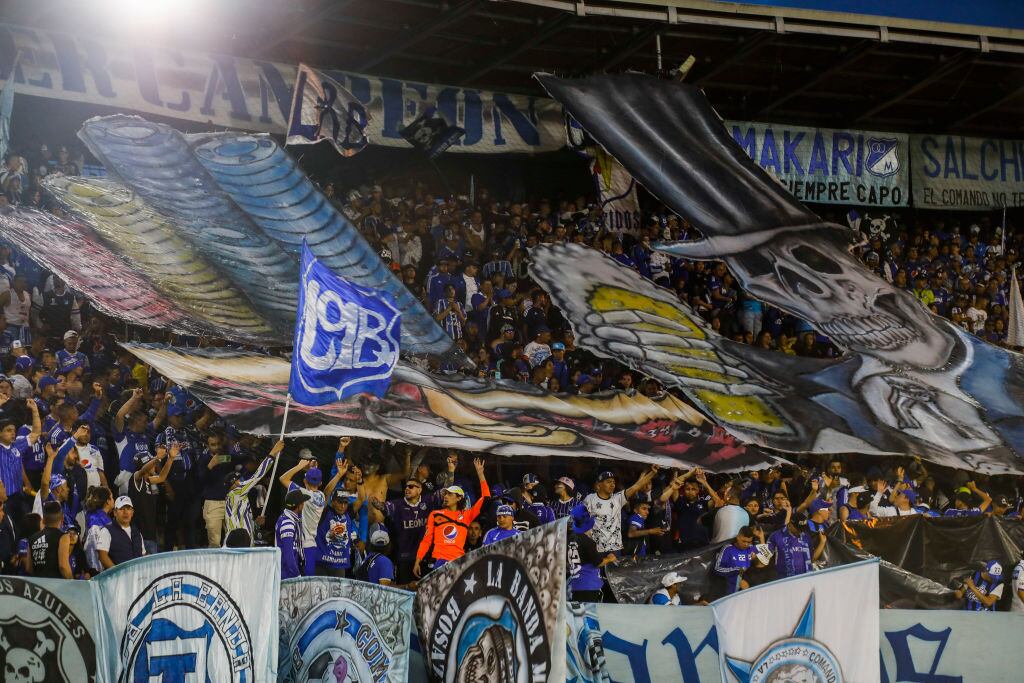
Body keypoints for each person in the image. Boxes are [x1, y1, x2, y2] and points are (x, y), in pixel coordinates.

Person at [414, 457, 489, 577]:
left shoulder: (467, 515)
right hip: (437, 561)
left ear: (459, 498)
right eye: (445, 494)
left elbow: (486, 498)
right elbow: (426, 540)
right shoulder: (435, 514)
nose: (445, 496)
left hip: (458, 562)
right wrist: (418, 560)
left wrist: (480, 474)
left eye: (449, 494)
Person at [584, 466, 658, 556]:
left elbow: (636, 487)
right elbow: (583, 519)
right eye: (608, 482)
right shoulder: (590, 498)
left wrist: (652, 473)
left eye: (613, 482)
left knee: (614, 570)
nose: (612, 485)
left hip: (614, 549)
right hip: (596, 547)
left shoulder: (617, 498)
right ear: (599, 485)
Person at [371, 477, 432, 584]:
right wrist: (375, 502)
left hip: (424, 556)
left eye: (411, 487)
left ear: (419, 490)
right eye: (406, 487)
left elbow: (443, 493)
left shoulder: (427, 501)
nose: (407, 489)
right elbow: (383, 507)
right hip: (404, 558)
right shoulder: (397, 504)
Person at [279, 452, 329, 576]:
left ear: (304, 480)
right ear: (321, 483)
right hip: (311, 546)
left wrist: (299, 466)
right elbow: (314, 484)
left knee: (295, 581)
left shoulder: (302, 494)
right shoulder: (321, 496)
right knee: (308, 585)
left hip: (299, 545)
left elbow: (283, 478)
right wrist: (313, 469)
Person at [225, 439, 283, 543]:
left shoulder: (237, 497)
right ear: (232, 485)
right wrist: (272, 453)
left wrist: (255, 523)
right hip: (239, 544)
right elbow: (257, 476)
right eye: (237, 481)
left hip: (242, 542)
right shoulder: (235, 493)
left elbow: (242, 520)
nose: (240, 482)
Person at [567, 504, 615, 603]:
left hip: (575, 584)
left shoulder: (570, 540)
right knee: (589, 615)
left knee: (578, 615)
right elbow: (598, 562)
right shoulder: (587, 541)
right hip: (589, 585)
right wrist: (610, 559)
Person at [316, 489, 365, 577]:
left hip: (340, 566)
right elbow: (326, 493)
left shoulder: (348, 513)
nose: (342, 506)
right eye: (339, 502)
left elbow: (361, 498)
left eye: (345, 503)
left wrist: (359, 480)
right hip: (322, 564)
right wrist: (338, 475)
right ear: (333, 501)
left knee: (338, 591)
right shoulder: (325, 511)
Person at [767, 510, 826, 578]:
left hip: (806, 579)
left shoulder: (806, 536)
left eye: (803, 528)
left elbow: (812, 558)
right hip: (784, 581)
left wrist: (822, 542)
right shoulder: (776, 536)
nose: (801, 531)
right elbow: (765, 558)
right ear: (790, 524)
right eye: (798, 528)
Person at [95, 496, 146, 569]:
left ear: (132, 512)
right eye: (122, 509)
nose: (125, 512)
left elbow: (143, 556)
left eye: (128, 509)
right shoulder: (106, 531)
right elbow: (103, 557)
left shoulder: (137, 533)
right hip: (117, 578)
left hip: (137, 577)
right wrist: (118, 573)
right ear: (115, 512)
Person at [713, 526, 767, 594]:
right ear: (738, 537)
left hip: (750, 589)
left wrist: (761, 538)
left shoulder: (750, 548)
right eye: (744, 541)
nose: (746, 544)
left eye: (749, 542)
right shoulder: (728, 549)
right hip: (731, 591)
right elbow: (717, 569)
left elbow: (764, 562)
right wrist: (738, 570)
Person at [26, 501, 71, 579]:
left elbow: (29, 568)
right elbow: (63, 567)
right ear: (62, 518)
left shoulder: (32, 538)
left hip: (38, 586)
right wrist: (73, 582)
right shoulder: (63, 537)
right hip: (56, 587)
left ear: (43, 520)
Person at [277, 489, 308, 579]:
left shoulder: (286, 518)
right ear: (299, 505)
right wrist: (296, 575)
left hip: (288, 571)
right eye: (302, 502)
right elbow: (288, 553)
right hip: (287, 574)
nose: (303, 504)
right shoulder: (288, 523)